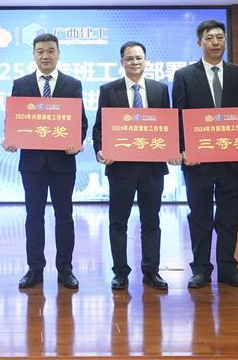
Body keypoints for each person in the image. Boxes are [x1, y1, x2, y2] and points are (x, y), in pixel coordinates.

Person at [172, 20, 238, 290]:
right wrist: (183, 149)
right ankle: (200, 269)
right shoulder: (184, 75)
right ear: (200, 43)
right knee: (200, 216)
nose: (216, 42)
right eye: (210, 38)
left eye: (220, 37)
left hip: (232, 161)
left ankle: (228, 269)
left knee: (229, 217)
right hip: (198, 161)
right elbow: (178, 116)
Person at [92, 41, 179, 291]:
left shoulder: (160, 89)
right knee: (118, 222)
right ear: (122, 62)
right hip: (121, 168)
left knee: (151, 221)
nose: (134, 62)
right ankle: (120, 273)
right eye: (129, 58)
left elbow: (167, 125)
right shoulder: (109, 90)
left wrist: (173, 149)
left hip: (152, 168)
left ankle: (151, 271)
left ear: (146, 60)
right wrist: (100, 150)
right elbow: (99, 127)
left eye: (139, 58)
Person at [5, 33, 88, 290]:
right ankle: (35, 268)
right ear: (33, 54)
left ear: (59, 53)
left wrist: (77, 141)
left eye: (51, 50)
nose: (45, 56)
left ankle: (65, 269)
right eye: (40, 51)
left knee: (65, 216)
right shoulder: (21, 84)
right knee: (34, 216)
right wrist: (11, 138)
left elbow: (81, 121)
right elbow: (14, 120)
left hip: (63, 162)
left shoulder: (72, 84)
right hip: (32, 164)